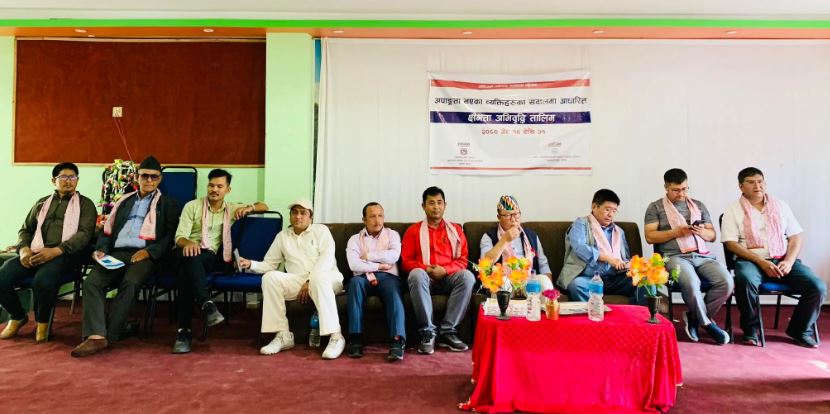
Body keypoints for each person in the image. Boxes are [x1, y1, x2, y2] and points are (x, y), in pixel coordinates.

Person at [71, 156, 179, 357]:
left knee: (130, 283)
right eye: (144, 176)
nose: (149, 180)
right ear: (137, 177)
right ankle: (96, 335)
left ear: (160, 179)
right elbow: (108, 230)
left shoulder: (168, 204)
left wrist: (148, 252)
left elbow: (169, 236)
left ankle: (110, 334)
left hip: (145, 255)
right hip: (116, 253)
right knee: (92, 283)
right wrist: (101, 249)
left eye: (154, 177)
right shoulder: (124, 201)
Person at [722, 167, 826, 348]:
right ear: (741, 186)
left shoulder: (781, 206)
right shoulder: (733, 210)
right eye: (751, 182)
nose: (757, 186)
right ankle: (750, 329)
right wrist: (760, 261)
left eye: (760, 181)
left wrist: (789, 261)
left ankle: (799, 330)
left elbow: (795, 237)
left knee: (817, 286)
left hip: (782, 259)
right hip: (751, 260)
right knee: (745, 280)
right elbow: (730, 243)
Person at [171, 168, 268, 354]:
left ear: (228, 190)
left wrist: (249, 208)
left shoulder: (231, 208)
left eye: (219, 186)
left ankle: (184, 331)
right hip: (183, 251)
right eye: (211, 185)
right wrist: (189, 243)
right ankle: (206, 304)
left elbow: (264, 206)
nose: (214, 189)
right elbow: (179, 237)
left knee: (187, 271)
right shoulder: (192, 206)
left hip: (208, 256)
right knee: (189, 261)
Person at [0, 162, 96, 342]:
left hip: (66, 255)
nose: (69, 181)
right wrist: (24, 250)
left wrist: (56, 250)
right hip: (35, 253)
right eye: (63, 177)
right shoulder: (42, 203)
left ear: (77, 180)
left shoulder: (86, 204)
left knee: (43, 280)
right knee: (2, 276)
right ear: (54, 180)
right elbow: (25, 230)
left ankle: (42, 323)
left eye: (73, 177)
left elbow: (84, 235)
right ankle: (18, 316)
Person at [239, 199, 346, 359]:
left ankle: (336, 336)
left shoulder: (321, 230)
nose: (298, 216)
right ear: (290, 216)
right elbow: (270, 264)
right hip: (298, 280)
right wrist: (250, 264)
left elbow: (327, 259)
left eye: (303, 213)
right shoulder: (282, 236)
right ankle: (283, 335)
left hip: (327, 278)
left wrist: (310, 281)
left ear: (311, 217)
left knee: (318, 279)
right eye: (294, 213)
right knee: (270, 278)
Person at [644, 168, 732, 345]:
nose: (681, 194)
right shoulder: (655, 207)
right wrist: (676, 232)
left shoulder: (698, 205)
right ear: (666, 188)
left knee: (727, 282)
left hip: (702, 255)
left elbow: (712, 236)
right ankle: (707, 324)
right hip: (674, 256)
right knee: (692, 283)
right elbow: (650, 237)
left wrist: (701, 232)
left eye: (684, 189)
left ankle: (694, 317)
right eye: (676, 190)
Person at [402, 186, 474, 355]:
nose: (436, 207)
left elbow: (463, 260)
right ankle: (427, 332)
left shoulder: (455, 230)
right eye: (431, 203)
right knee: (416, 274)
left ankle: (448, 331)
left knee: (468, 276)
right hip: (425, 278)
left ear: (445, 205)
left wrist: (445, 270)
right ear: (423, 206)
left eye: (439, 203)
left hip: (448, 278)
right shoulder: (413, 231)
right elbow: (406, 262)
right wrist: (426, 269)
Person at [345, 202, 405, 361]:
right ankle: (356, 338)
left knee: (394, 292)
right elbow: (353, 264)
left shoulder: (392, 234)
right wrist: (379, 265)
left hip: (388, 277)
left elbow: (394, 256)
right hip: (362, 277)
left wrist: (368, 256)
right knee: (354, 284)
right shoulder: (354, 239)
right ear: (364, 220)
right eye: (372, 216)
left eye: (380, 216)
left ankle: (397, 340)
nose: (377, 220)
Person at [558, 189, 642, 303]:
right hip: (589, 279)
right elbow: (580, 248)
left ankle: (636, 313)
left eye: (614, 211)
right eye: (607, 209)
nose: (610, 214)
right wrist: (608, 258)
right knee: (576, 285)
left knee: (643, 279)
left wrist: (628, 264)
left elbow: (625, 258)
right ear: (594, 207)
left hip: (615, 279)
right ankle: (596, 310)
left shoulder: (619, 231)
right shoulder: (581, 223)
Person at [480, 195, 554, 294]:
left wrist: (549, 286)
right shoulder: (489, 236)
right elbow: (485, 264)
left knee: (544, 282)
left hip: (529, 281)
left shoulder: (531, 236)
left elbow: (544, 265)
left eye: (516, 214)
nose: (513, 219)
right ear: (499, 217)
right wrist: (504, 239)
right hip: (505, 280)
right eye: (507, 215)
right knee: (500, 285)